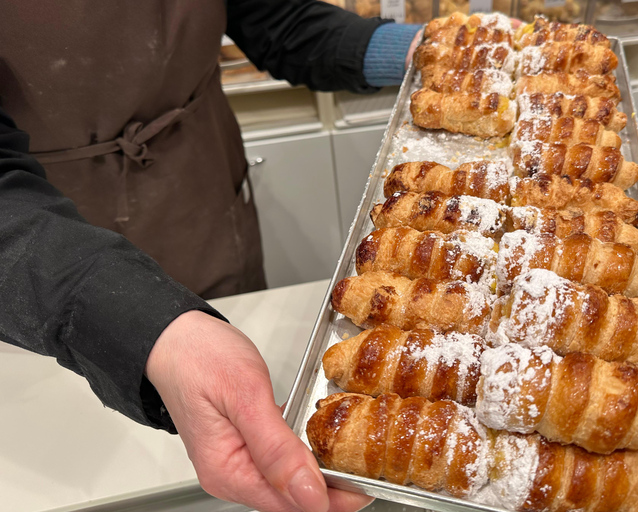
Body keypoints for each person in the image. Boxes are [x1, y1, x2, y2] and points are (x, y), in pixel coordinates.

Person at [0, 1, 422, 511]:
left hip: (204, 184)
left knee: (249, 430)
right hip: (39, 264)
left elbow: (272, 17)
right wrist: (147, 329)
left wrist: (415, 52)